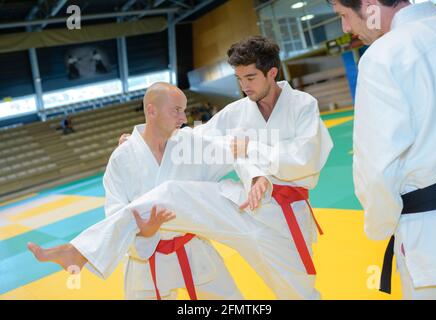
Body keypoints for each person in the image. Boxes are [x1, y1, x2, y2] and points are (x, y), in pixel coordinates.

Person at [29, 36, 333, 299]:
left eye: (250, 78)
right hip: (245, 205)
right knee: (171, 192)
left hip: (285, 213)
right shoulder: (236, 112)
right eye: (238, 79)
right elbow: (197, 137)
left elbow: (304, 157)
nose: (243, 87)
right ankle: (80, 251)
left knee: (298, 293)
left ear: (272, 73)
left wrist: (251, 151)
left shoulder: (301, 105)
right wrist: (143, 139)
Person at [30, 83, 242, 300]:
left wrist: (260, 167)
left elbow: (232, 149)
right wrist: (146, 233)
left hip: (194, 251)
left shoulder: (190, 144)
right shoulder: (123, 158)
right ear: (152, 110)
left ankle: (80, 251)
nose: (183, 118)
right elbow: (115, 212)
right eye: (176, 110)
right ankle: (79, 251)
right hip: (146, 262)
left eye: (184, 110)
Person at [330, 0, 436, 299]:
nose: (346, 28)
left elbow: (377, 172)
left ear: (369, 6)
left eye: (344, 15)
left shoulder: (384, 55)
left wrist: (381, 225)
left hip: (434, 238)